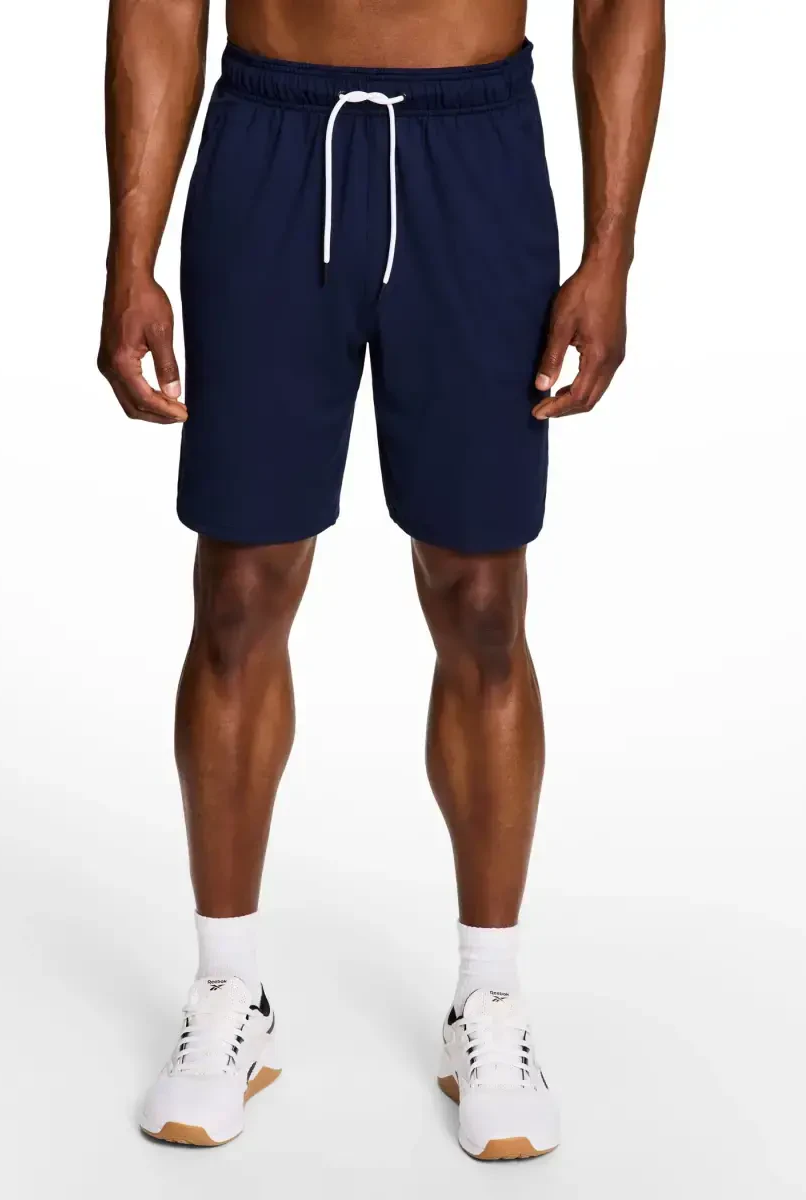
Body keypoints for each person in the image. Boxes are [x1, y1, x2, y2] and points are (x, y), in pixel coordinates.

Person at [98, 0, 665, 1161]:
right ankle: (228, 989)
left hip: (477, 148)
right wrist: (129, 255)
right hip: (270, 137)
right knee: (240, 591)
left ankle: (489, 999)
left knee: (484, 602)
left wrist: (611, 253)